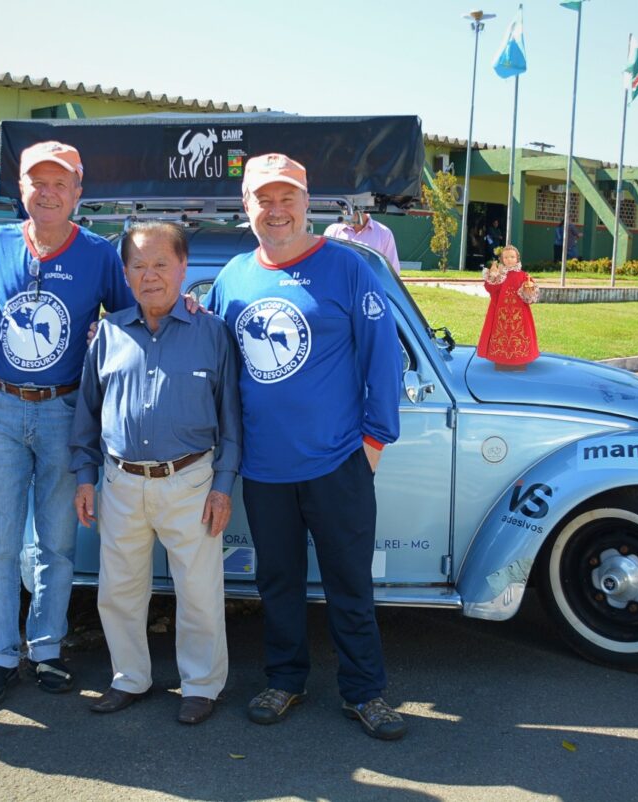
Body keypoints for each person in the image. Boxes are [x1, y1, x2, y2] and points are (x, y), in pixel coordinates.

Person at [207, 153, 407, 740]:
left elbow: (384, 359)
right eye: (262, 199)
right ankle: (285, 679)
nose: (275, 210)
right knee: (278, 582)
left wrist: (373, 442)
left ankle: (364, 692)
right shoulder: (234, 278)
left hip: (339, 462)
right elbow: (213, 360)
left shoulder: (347, 269)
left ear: (306, 202)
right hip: (265, 468)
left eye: (286, 198)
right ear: (247, 208)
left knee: (350, 584)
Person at [0, 141, 135, 707]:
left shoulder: (98, 254)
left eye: (60, 183)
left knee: (56, 543)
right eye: (38, 182)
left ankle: (46, 649)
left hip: (65, 409)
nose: (49, 192)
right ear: (21, 190)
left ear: (78, 192)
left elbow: (130, 315)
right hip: (1, 406)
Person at [70, 222, 241, 725]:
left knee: (199, 593)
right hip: (121, 483)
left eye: (161, 264)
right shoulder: (108, 334)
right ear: (125, 273)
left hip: (191, 481)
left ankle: (201, 687)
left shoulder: (212, 333)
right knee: (119, 589)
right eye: (139, 266)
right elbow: (87, 412)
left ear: (183, 269)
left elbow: (231, 418)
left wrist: (223, 486)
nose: (150, 276)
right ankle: (129, 678)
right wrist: (86, 475)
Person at [478, 244, 539, 368]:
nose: (509, 259)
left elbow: (530, 297)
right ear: (502, 260)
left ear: (517, 258)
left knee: (519, 336)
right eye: (505, 257)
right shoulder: (500, 275)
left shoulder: (524, 276)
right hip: (500, 314)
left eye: (512, 257)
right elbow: (490, 289)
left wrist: (529, 291)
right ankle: (500, 360)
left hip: (519, 315)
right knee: (500, 336)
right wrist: (492, 277)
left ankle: (520, 361)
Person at [323, 210, 401, 274]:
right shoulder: (332, 230)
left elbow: (392, 272)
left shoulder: (384, 233)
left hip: (370, 289)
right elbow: (325, 265)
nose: (351, 211)